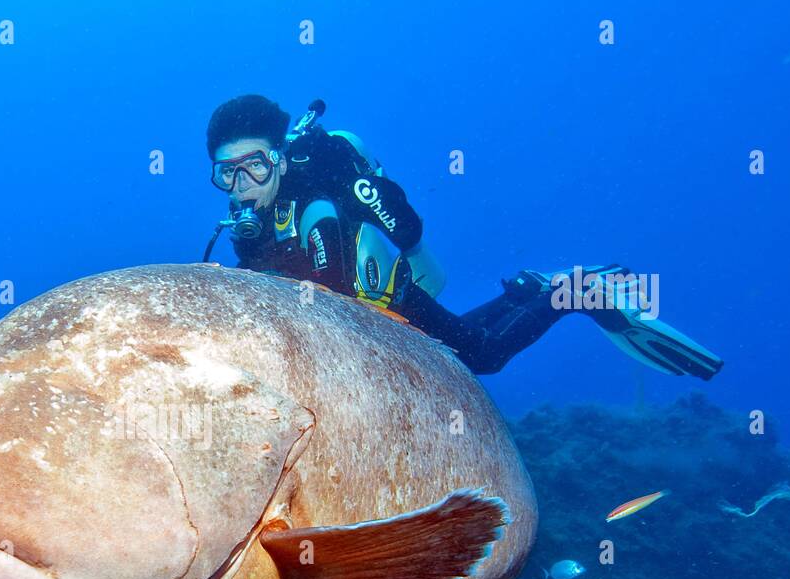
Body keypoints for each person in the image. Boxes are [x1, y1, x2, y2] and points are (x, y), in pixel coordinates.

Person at [203, 95, 722, 379]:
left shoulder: (317, 200)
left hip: (384, 301)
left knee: (482, 358)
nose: (241, 185)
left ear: (281, 156)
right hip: (370, 324)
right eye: (227, 173)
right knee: (451, 350)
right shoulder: (247, 222)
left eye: (255, 165)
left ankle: (577, 291)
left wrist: (414, 250)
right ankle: (528, 290)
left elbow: (346, 278)